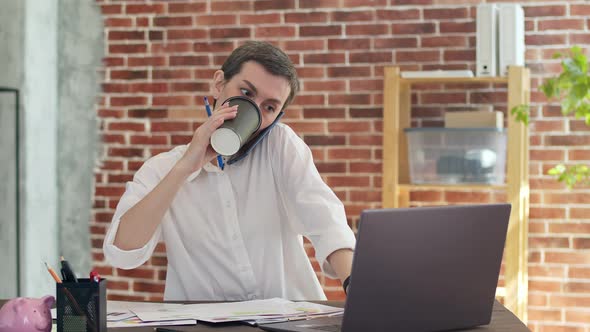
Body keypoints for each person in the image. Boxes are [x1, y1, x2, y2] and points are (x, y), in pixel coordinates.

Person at [103, 41, 355, 301]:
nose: (254, 110)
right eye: (246, 93)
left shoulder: (280, 145)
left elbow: (326, 223)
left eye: (269, 107)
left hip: (288, 321)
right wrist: (185, 167)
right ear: (219, 84)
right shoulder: (161, 168)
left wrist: (355, 286)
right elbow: (122, 253)